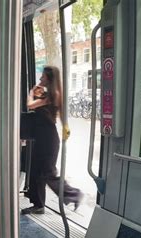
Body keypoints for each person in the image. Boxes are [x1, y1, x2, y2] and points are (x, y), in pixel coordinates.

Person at [22, 66, 82, 215]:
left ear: (49, 79)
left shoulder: (53, 94)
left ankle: (73, 194)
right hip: (41, 138)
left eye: (43, 77)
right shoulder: (47, 93)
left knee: (48, 173)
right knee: (36, 171)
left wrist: (31, 92)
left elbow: (30, 105)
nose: (40, 79)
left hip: (48, 140)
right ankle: (38, 205)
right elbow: (60, 113)